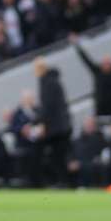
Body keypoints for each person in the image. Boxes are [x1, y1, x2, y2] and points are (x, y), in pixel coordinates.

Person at [71, 36, 111, 119]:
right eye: (104, 63)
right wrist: (77, 45)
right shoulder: (97, 72)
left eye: (108, 63)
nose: (105, 65)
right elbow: (86, 59)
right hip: (100, 111)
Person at [34, 58, 72, 187]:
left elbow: (47, 107)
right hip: (62, 126)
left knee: (57, 157)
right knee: (59, 156)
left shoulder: (47, 82)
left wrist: (39, 122)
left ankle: (62, 182)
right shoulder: (54, 80)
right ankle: (63, 182)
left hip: (56, 128)